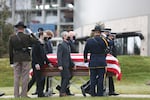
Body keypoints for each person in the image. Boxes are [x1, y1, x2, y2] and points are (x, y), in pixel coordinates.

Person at [9, 21, 38, 98]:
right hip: (25, 57)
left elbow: (10, 50)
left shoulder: (12, 37)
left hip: (16, 58)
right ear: (24, 29)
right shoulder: (27, 36)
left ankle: (16, 94)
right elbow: (37, 41)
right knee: (25, 77)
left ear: (17, 28)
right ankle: (24, 94)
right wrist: (32, 33)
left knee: (16, 77)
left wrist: (11, 61)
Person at [83, 25, 109, 96]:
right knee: (101, 79)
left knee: (92, 79)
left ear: (94, 32)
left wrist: (85, 60)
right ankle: (100, 93)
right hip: (101, 62)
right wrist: (103, 57)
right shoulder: (104, 40)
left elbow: (85, 51)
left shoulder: (89, 41)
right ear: (100, 32)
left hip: (93, 61)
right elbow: (107, 50)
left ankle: (93, 93)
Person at [31, 31, 53, 97]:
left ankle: (40, 92)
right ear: (41, 35)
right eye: (45, 35)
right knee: (38, 79)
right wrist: (36, 63)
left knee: (40, 79)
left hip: (41, 64)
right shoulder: (36, 43)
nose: (46, 36)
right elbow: (34, 54)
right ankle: (40, 93)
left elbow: (44, 55)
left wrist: (48, 62)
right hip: (37, 64)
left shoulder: (42, 43)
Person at [57, 31, 76, 97]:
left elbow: (68, 56)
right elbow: (59, 56)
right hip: (63, 65)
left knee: (65, 78)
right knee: (67, 77)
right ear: (64, 36)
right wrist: (59, 65)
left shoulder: (67, 45)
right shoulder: (61, 45)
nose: (69, 37)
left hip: (67, 64)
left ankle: (62, 91)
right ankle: (62, 91)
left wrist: (73, 64)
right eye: (68, 36)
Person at [101, 28, 119, 96]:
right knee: (102, 77)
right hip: (106, 61)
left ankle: (111, 90)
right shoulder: (106, 41)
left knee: (110, 76)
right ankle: (105, 90)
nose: (113, 37)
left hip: (110, 61)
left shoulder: (111, 42)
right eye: (112, 35)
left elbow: (114, 51)